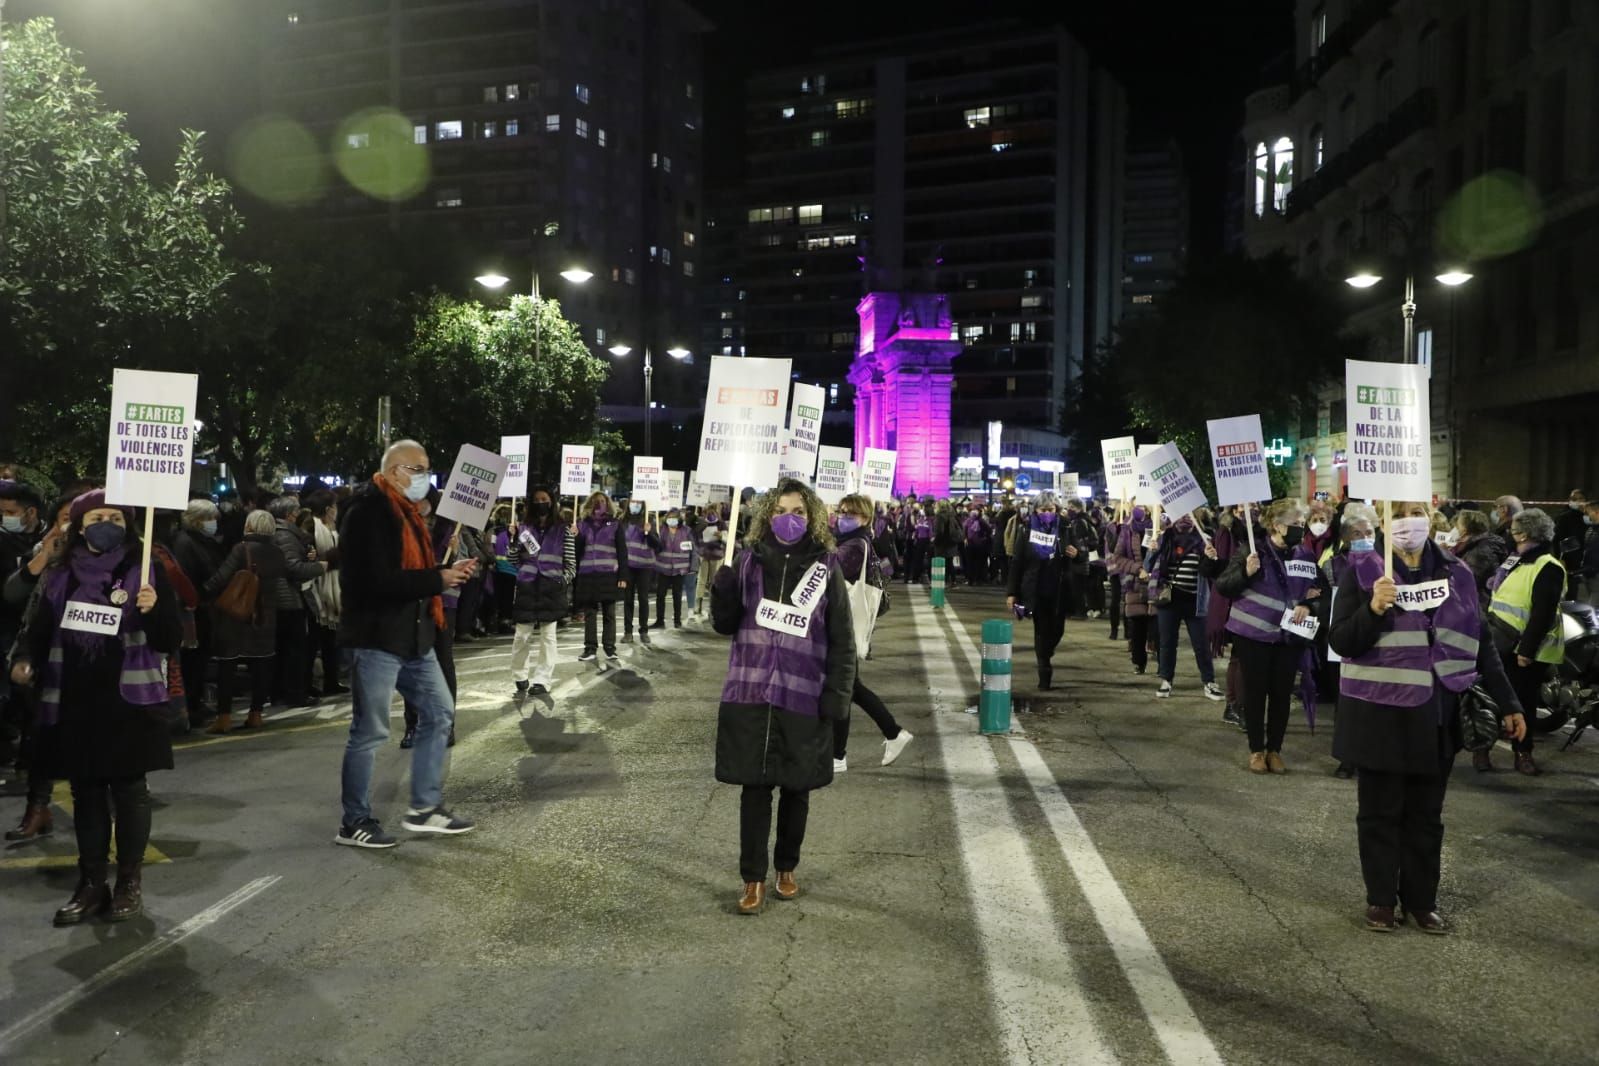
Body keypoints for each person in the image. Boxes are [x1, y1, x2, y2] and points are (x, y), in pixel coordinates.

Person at [1330, 499, 1527, 933]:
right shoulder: (1362, 571)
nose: (1406, 524)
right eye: (1397, 516)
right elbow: (1342, 640)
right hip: (1381, 714)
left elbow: (1482, 643)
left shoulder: (1457, 573)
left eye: (1413, 513)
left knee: (1425, 816)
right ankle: (1381, 900)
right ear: (1384, 523)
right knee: (1380, 814)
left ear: (1430, 519)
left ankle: (1422, 901)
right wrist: (1374, 609)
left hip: (1438, 716)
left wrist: (1510, 704)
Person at [10, 490, 181, 924]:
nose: (107, 523)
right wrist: (24, 661)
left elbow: (170, 639)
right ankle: (91, 884)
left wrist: (153, 608)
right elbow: (37, 627)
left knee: (128, 792)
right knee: (86, 793)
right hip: (73, 697)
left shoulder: (145, 569)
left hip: (128, 701)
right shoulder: (59, 572)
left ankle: (128, 882)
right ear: (80, 525)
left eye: (116, 517)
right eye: (97, 516)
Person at [711, 479, 855, 915]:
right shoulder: (748, 562)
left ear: (812, 516)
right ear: (764, 515)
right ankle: (752, 879)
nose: (787, 518)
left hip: (803, 695)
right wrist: (724, 588)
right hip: (751, 690)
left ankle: (786, 867)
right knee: (754, 791)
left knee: (797, 789)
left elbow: (843, 641)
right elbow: (725, 624)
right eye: (779, 509)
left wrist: (837, 698)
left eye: (797, 510)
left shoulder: (827, 567)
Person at [335, 440, 478, 848]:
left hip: (414, 637)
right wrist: (439, 579)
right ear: (396, 471)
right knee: (370, 731)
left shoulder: (408, 514)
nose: (425, 478)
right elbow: (375, 582)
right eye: (419, 469)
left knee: (439, 712)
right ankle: (354, 821)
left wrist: (443, 571)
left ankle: (424, 807)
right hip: (376, 637)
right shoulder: (367, 513)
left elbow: (408, 572)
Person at [1213, 499, 1322, 774]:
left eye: (1302, 523)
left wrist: (1308, 605)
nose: (1301, 528)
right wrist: (1245, 572)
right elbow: (1224, 586)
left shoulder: (1305, 555)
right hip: (1253, 635)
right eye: (1295, 523)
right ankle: (1256, 750)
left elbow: (1321, 590)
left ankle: (1275, 750)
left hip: (1288, 638)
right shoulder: (1252, 550)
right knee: (1255, 693)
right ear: (1276, 525)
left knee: (1281, 695)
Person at [3, 493, 75, 842]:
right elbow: (15, 595)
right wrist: (45, 555)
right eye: (65, 516)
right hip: (48, 663)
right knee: (39, 739)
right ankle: (38, 809)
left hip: (92, 668)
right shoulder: (47, 555)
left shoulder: (116, 563)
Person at [833, 493, 914, 770]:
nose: (843, 517)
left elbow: (827, 570)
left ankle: (838, 755)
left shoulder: (854, 545)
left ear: (865, 518)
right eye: (841, 511)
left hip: (841, 626)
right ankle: (892, 733)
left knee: (844, 689)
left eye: (850, 513)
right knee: (849, 688)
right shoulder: (854, 541)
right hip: (842, 625)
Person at [1486, 507, 1566, 777]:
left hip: (1522, 648)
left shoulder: (1548, 566)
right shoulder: (1515, 560)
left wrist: (1527, 650)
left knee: (1521, 703)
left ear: (1529, 534)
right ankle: (1482, 750)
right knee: (1490, 698)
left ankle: (1523, 752)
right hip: (1499, 639)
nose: (1512, 533)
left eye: (1517, 530)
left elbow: (1543, 613)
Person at [200, 510, 288, 733]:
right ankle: (256, 714)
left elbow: (221, 577)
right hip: (266, 617)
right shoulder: (278, 552)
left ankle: (224, 718)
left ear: (248, 527)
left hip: (236, 616)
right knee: (261, 667)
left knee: (227, 666)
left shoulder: (242, 548)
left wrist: (201, 593)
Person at [1147, 513, 1223, 701]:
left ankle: (1209, 682)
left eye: (1190, 514)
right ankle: (1166, 680)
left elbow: (1209, 572)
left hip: (1195, 600)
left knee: (1201, 644)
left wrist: (1211, 558)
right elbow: (1148, 565)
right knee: (1167, 642)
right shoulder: (1164, 536)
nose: (1185, 519)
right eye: (1181, 514)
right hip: (1169, 599)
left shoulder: (1205, 538)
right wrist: (1152, 550)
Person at [1006, 493, 1074, 690]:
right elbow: (1017, 562)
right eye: (1043, 510)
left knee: (1058, 630)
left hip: (1059, 589)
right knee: (1042, 630)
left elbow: (1080, 553)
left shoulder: (1065, 527)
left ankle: (1045, 652)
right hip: (1035, 589)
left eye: (1050, 510)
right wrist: (1012, 592)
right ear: (1036, 510)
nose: (1047, 514)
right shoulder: (1026, 529)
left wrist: (1077, 554)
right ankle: (1044, 670)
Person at [168, 499, 226, 728]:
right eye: (209, 518)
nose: (213, 523)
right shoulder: (185, 543)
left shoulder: (202, 541)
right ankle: (191, 705)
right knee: (193, 662)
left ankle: (196, 701)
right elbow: (189, 577)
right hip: (194, 610)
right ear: (196, 520)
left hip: (204, 608)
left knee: (200, 661)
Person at [510, 485, 573, 697]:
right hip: (528, 586)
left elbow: (571, 564)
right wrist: (513, 539)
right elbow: (513, 559)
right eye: (536, 500)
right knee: (522, 635)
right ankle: (520, 675)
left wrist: (561, 581)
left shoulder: (563, 529)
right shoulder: (524, 528)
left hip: (550, 587)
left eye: (544, 499)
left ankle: (542, 680)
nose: (540, 503)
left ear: (552, 501)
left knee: (548, 636)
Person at [266, 496, 328, 709]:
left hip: (282, 599)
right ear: (289, 514)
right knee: (294, 650)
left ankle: (282, 693)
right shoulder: (285, 535)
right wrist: (320, 566)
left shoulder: (284, 534)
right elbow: (292, 568)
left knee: (285, 650)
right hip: (289, 600)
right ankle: (293, 694)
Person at [574, 491, 630, 663]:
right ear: (590, 503)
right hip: (587, 574)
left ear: (608, 504)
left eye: (603, 501)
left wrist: (623, 576)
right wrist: (575, 536)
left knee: (609, 613)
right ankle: (590, 648)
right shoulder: (582, 524)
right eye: (596, 501)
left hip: (608, 574)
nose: (600, 504)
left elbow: (622, 551)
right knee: (590, 613)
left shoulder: (614, 524)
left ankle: (609, 648)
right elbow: (577, 552)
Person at [302, 489, 346, 694]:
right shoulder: (313, 526)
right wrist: (333, 557)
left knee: (332, 639)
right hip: (316, 585)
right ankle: (308, 683)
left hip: (334, 585)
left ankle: (332, 680)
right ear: (328, 509)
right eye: (335, 507)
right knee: (313, 640)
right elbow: (309, 554)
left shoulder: (333, 527)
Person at [1110, 506, 1158, 676]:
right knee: (1138, 627)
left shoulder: (1160, 528)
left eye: (1145, 506)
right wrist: (1138, 569)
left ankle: (1163, 662)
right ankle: (1139, 661)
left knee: (1158, 627)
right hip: (1136, 585)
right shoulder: (1127, 531)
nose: (1142, 510)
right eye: (1139, 506)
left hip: (1157, 584)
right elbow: (1118, 557)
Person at [620, 498, 659, 645]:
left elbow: (658, 545)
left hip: (644, 566)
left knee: (643, 600)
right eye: (633, 502)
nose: (635, 505)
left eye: (638, 503)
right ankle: (628, 632)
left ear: (643, 506)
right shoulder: (623, 521)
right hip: (628, 565)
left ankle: (644, 631)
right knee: (627, 599)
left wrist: (649, 533)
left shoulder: (649, 521)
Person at [652, 508, 694, 628]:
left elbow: (692, 549)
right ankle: (660, 620)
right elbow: (656, 547)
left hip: (679, 569)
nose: (672, 520)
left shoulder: (686, 531)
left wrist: (693, 566)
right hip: (663, 568)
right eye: (670, 517)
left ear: (679, 519)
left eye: (674, 517)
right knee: (660, 595)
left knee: (677, 595)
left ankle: (677, 621)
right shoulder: (661, 531)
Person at [1450, 508, 1506, 599]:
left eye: (1457, 526)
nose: (1454, 529)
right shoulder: (1470, 546)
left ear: (1466, 529)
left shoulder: (1481, 551)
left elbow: (1467, 582)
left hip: (1478, 604)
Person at [1553, 490, 1588, 597]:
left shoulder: (1588, 517)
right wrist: (1559, 558)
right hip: (1569, 560)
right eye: (1573, 499)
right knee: (1570, 590)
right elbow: (1556, 539)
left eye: (1580, 498)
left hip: (1585, 560)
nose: (1577, 501)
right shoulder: (1564, 517)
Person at [695, 504, 727, 616]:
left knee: (714, 581)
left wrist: (721, 536)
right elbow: (696, 538)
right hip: (704, 555)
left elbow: (728, 539)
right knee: (702, 580)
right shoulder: (701, 523)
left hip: (717, 555)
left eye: (713, 510)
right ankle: (697, 605)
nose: (711, 513)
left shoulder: (721, 524)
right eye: (708, 510)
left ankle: (713, 605)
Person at [960, 503, 991, 586]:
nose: (974, 512)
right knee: (970, 563)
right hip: (970, 544)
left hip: (979, 545)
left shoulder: (981, 521)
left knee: (978, 563)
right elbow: (964, 531)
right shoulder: (968, 520)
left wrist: (984, 538)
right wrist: (965, 538)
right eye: (972, 510)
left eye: (976, 510)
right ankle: (971, 579)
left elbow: (989, 530)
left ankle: (977, 579)